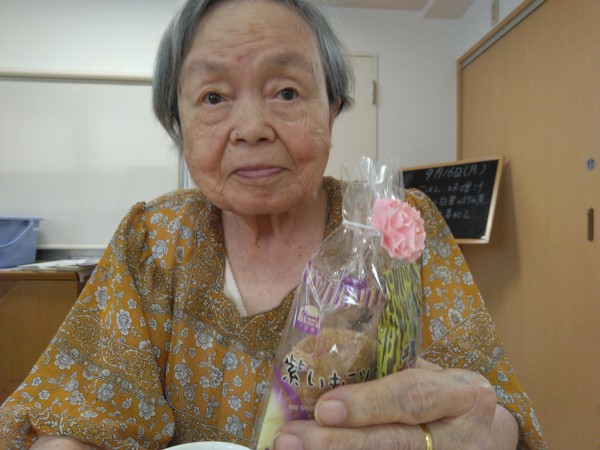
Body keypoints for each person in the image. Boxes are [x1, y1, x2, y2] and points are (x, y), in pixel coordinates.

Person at [0, 0, 547, 449]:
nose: (251, 128)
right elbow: (69, 417)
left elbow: (499, 416)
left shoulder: (398, 228)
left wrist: (481, 432)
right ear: (179, 123)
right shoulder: (152, 241)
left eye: (286, 92)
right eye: (213, 97)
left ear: (332, 108)